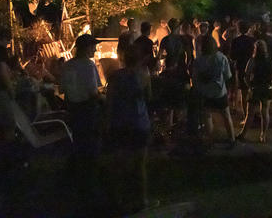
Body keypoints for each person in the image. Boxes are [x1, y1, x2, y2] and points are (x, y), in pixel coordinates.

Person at [106, 42, 153, 212]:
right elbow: (149, 97)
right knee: (140, 166)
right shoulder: (144, 74)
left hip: (120, 124)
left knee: (120, 165)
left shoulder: (115, 77)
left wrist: (107, 123)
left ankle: (119, 201)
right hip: (140, 123)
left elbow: (109, 102)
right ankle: (142, 200)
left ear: (124, 58)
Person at [60, 34, 103, 197]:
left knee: (78, 143)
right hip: (88, 109)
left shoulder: (67, 65)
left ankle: (76, 179)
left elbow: (63, 89)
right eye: (93, 46)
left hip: (73, 108)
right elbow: (93, 92)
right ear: (86, 48)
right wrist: (104, 99)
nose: (95, 49)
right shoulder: (89, 65)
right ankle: (91, 184)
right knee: (91, 145)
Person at [191, 36, 235, 147]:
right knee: (226, 115)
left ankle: (209, 141)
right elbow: (227, 76)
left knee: (207, 116)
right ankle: (232, 139)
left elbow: (195, 79)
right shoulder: (221, 58)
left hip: (205, 93)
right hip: (220, 92)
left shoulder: (198, 60)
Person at [237, 40, 272, 143]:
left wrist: (250, 85)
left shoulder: (252, 60)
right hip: (267, 88)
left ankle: (243, 134)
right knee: (265, 112)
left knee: (250, 113)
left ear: (255, 49)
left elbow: (246, 76)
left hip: (255, 88)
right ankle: (263, 135)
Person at [158, 18, 190, 127]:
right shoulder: (183, 39)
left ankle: (170, 124)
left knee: (170, 97)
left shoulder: (165, 40)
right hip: (181, 70)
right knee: (181, 96)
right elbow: (189, 56)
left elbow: (159, 56)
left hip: (169, 69)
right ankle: (181, 123)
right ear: (178, 27)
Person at [230, 20, 255, 119]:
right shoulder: (252, 40)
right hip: (252, 68)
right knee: (251, 92)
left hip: (240, 67)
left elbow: (232, 56)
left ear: (239, 29)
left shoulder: (236, 41)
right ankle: (251, 115)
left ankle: (246, 117)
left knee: (244, 93)